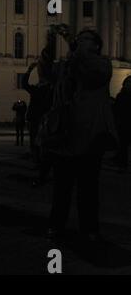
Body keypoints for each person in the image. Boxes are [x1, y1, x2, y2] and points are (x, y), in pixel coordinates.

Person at [46, 28, 117, 243]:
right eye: (79, 39)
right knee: (62, 187)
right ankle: (56, 225)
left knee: (88, 187)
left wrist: (74, 50)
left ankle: (89, 228)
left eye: (86, 39)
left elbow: (90, 76)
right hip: (66, 132)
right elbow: (47, 73)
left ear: (96, 46)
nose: (80, 41)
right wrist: (49, 43)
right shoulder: (68, 64)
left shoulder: (102, 64)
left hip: (90, 133)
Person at [114, 76, 131, 172]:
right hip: (124, 120)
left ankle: (122, 162)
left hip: (125, 121)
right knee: (122, 141)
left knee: (123, 142)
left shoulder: (124, 95)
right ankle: (119, 158)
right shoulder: (123, 95)